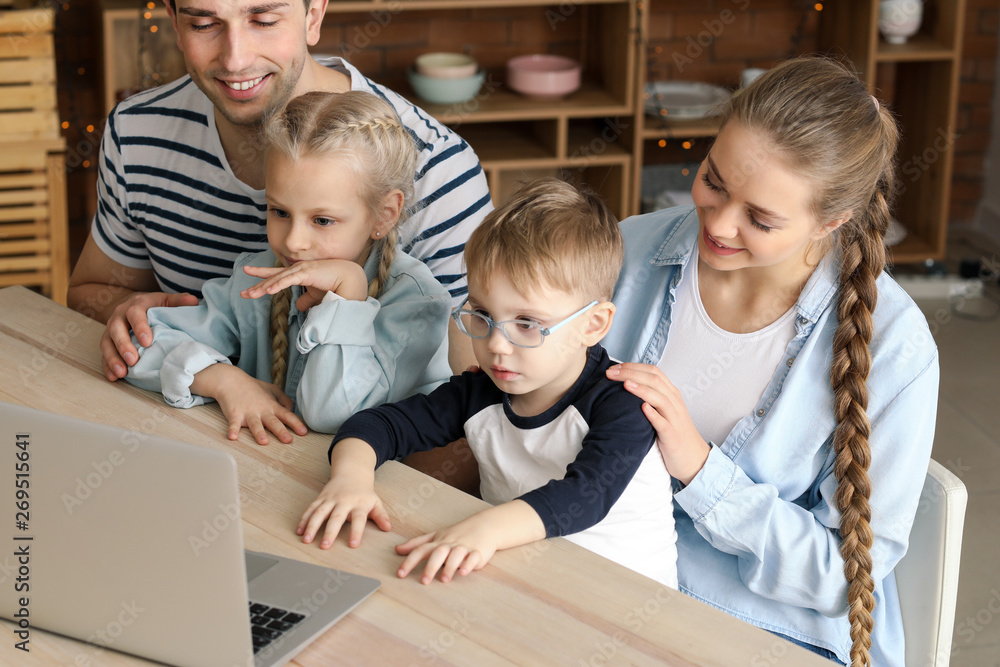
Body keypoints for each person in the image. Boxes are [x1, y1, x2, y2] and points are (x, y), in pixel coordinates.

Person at [602, 57, 939, 666]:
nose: (720, 224)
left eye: (760, 219)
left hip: (763, 626)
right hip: (610, 568)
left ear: (831, 221)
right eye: (713, 181)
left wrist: (700, 472)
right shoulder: (630, 249)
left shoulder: (895, 344)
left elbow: (844, 579)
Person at [67, 0, 491, 382]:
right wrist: (133, 317)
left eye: (264, 20)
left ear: (314, 16)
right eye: (203, 24)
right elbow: (90, 294)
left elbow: (475, 391)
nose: (236, 59)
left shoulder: (438, 169)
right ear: (175, 24)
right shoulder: (136, 131)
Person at [296, 178, 677, 587]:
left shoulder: (622, 404)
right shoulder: (483, 391)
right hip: (524, 577)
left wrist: (484, 528)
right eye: (482, 314)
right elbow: (379, 425)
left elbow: (585, 498)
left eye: (528, 323)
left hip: (625, 599)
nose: (496, 343)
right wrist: (350, 480)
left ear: (592, 324)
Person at [124, 90, 452, 444]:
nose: (293, 242)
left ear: (385, 214)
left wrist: (348, 295)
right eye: (279, 212)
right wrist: (221, 379)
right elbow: (137, 346)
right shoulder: (263, 274)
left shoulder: (417, 304)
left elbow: (331, 414)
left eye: (323, 220)